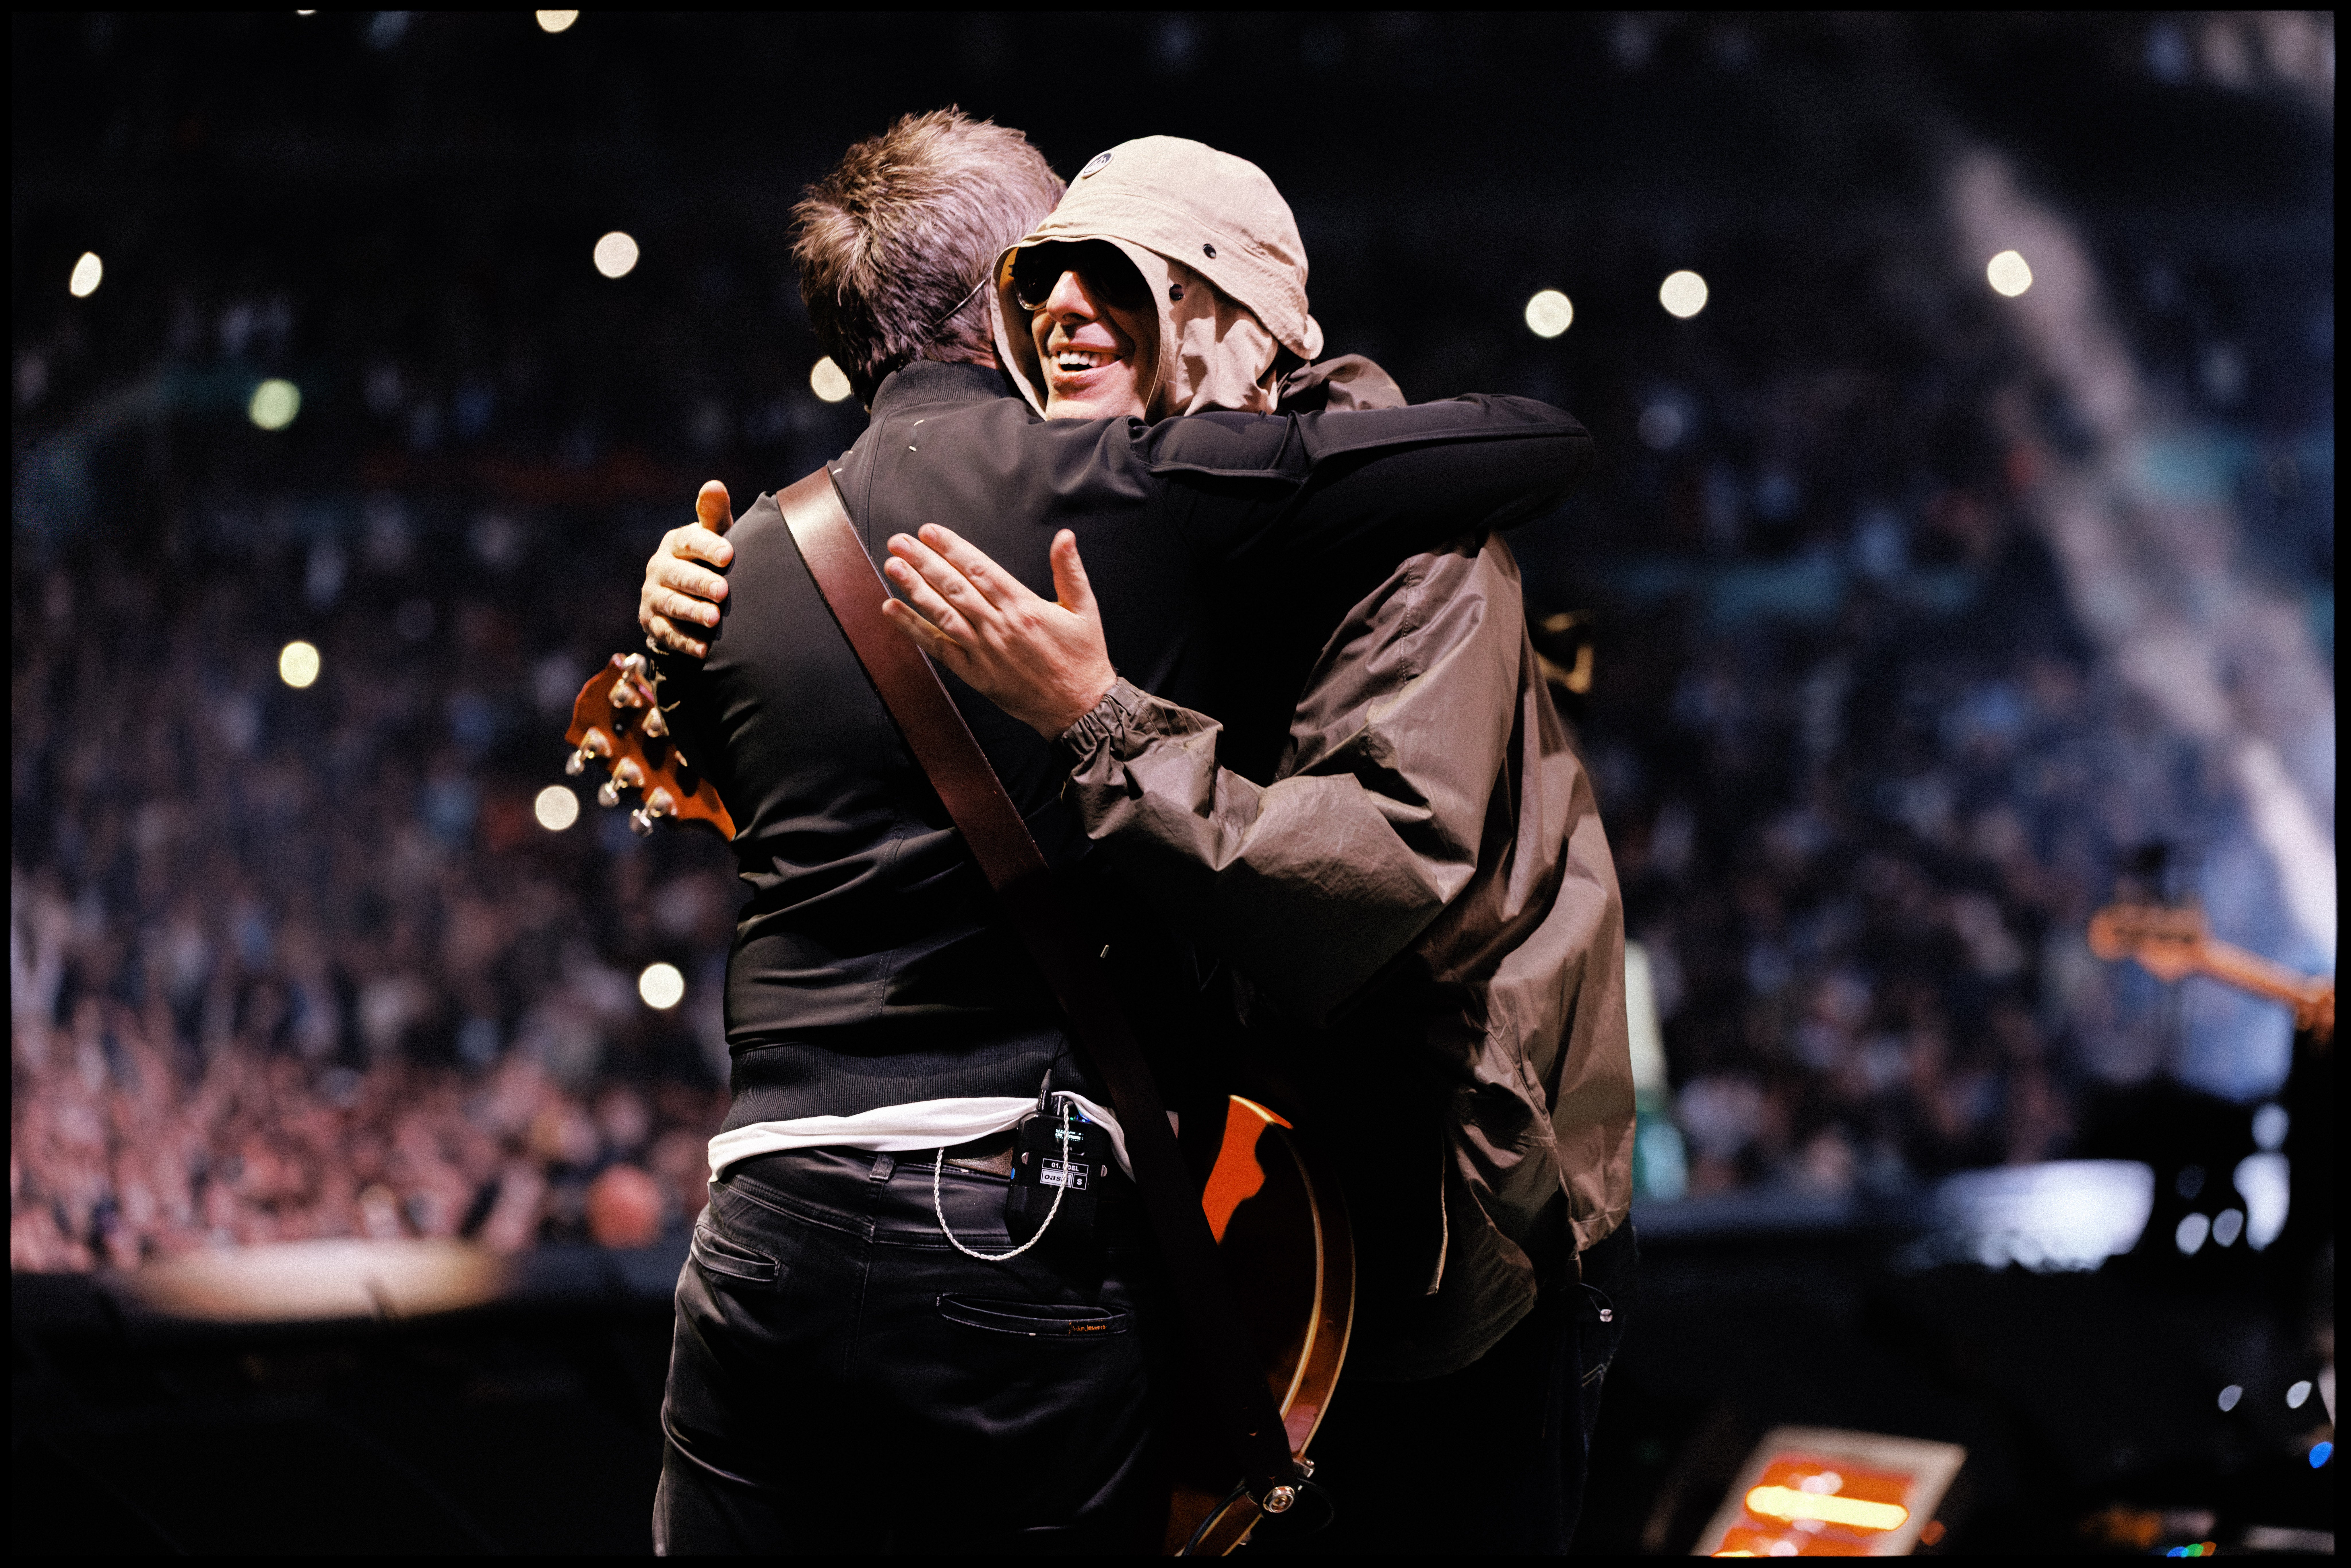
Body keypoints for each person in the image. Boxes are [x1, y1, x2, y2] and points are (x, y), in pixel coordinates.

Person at [638, 119, 1593, 1555]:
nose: (1061, 312)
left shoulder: (1393, 546)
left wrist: (1094, 717)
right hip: (1194, 1219)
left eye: (1113, 280)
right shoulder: (1120, 503)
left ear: (1233, 321)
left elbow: (1364, 884)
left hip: (1434, 1240)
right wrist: (662, 625)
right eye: (1039, 280)